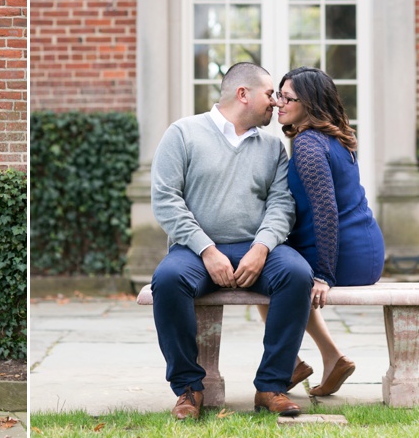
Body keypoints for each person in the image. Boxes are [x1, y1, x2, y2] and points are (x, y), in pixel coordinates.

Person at [150, 62, 313, 420]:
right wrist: (207, 250)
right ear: (243, 94)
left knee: (298, 274)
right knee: (167, 280)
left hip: (256, 247)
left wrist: (262, 247)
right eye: (270, 94)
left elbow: (281, 204)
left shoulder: (272, 148)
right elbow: (165, 199)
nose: (276, 102)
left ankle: (271, 386)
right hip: (195, 251)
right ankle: (190, 389)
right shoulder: (183, 133)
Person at [263, 66, 385, 397]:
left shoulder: (308, 144)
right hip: (368, 248)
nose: (279, 103)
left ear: (311, 103)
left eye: (288, 97)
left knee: (265, 270)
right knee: (275, 267)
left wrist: (323, 275)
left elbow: (326, 210)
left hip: (343, 254)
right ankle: (329, 359)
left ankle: (291, 363)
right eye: (278, 95)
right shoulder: (338, 136)